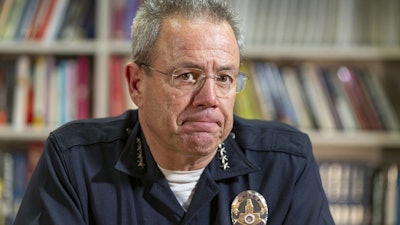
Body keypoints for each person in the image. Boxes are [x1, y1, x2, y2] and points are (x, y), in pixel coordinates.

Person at [14, 0, 335, 224]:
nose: (209, 98)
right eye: (187, 76)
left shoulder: (286, 162)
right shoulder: (74, 160)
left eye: (224, 78)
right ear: (137, 84)